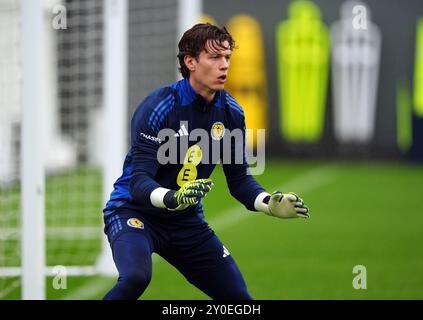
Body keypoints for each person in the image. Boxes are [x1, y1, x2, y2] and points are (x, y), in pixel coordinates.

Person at [102, 23, 309, 300]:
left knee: (239, 300)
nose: (224, 66)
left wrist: (267, 204)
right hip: (133, 212)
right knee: (136, 277)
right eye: (214, 57)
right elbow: (139, 182)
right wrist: (173, 198)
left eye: (227, 58)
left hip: (185, 221)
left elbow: (239, 181)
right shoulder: (159, 107)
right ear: (190, 62)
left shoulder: (232, 113)